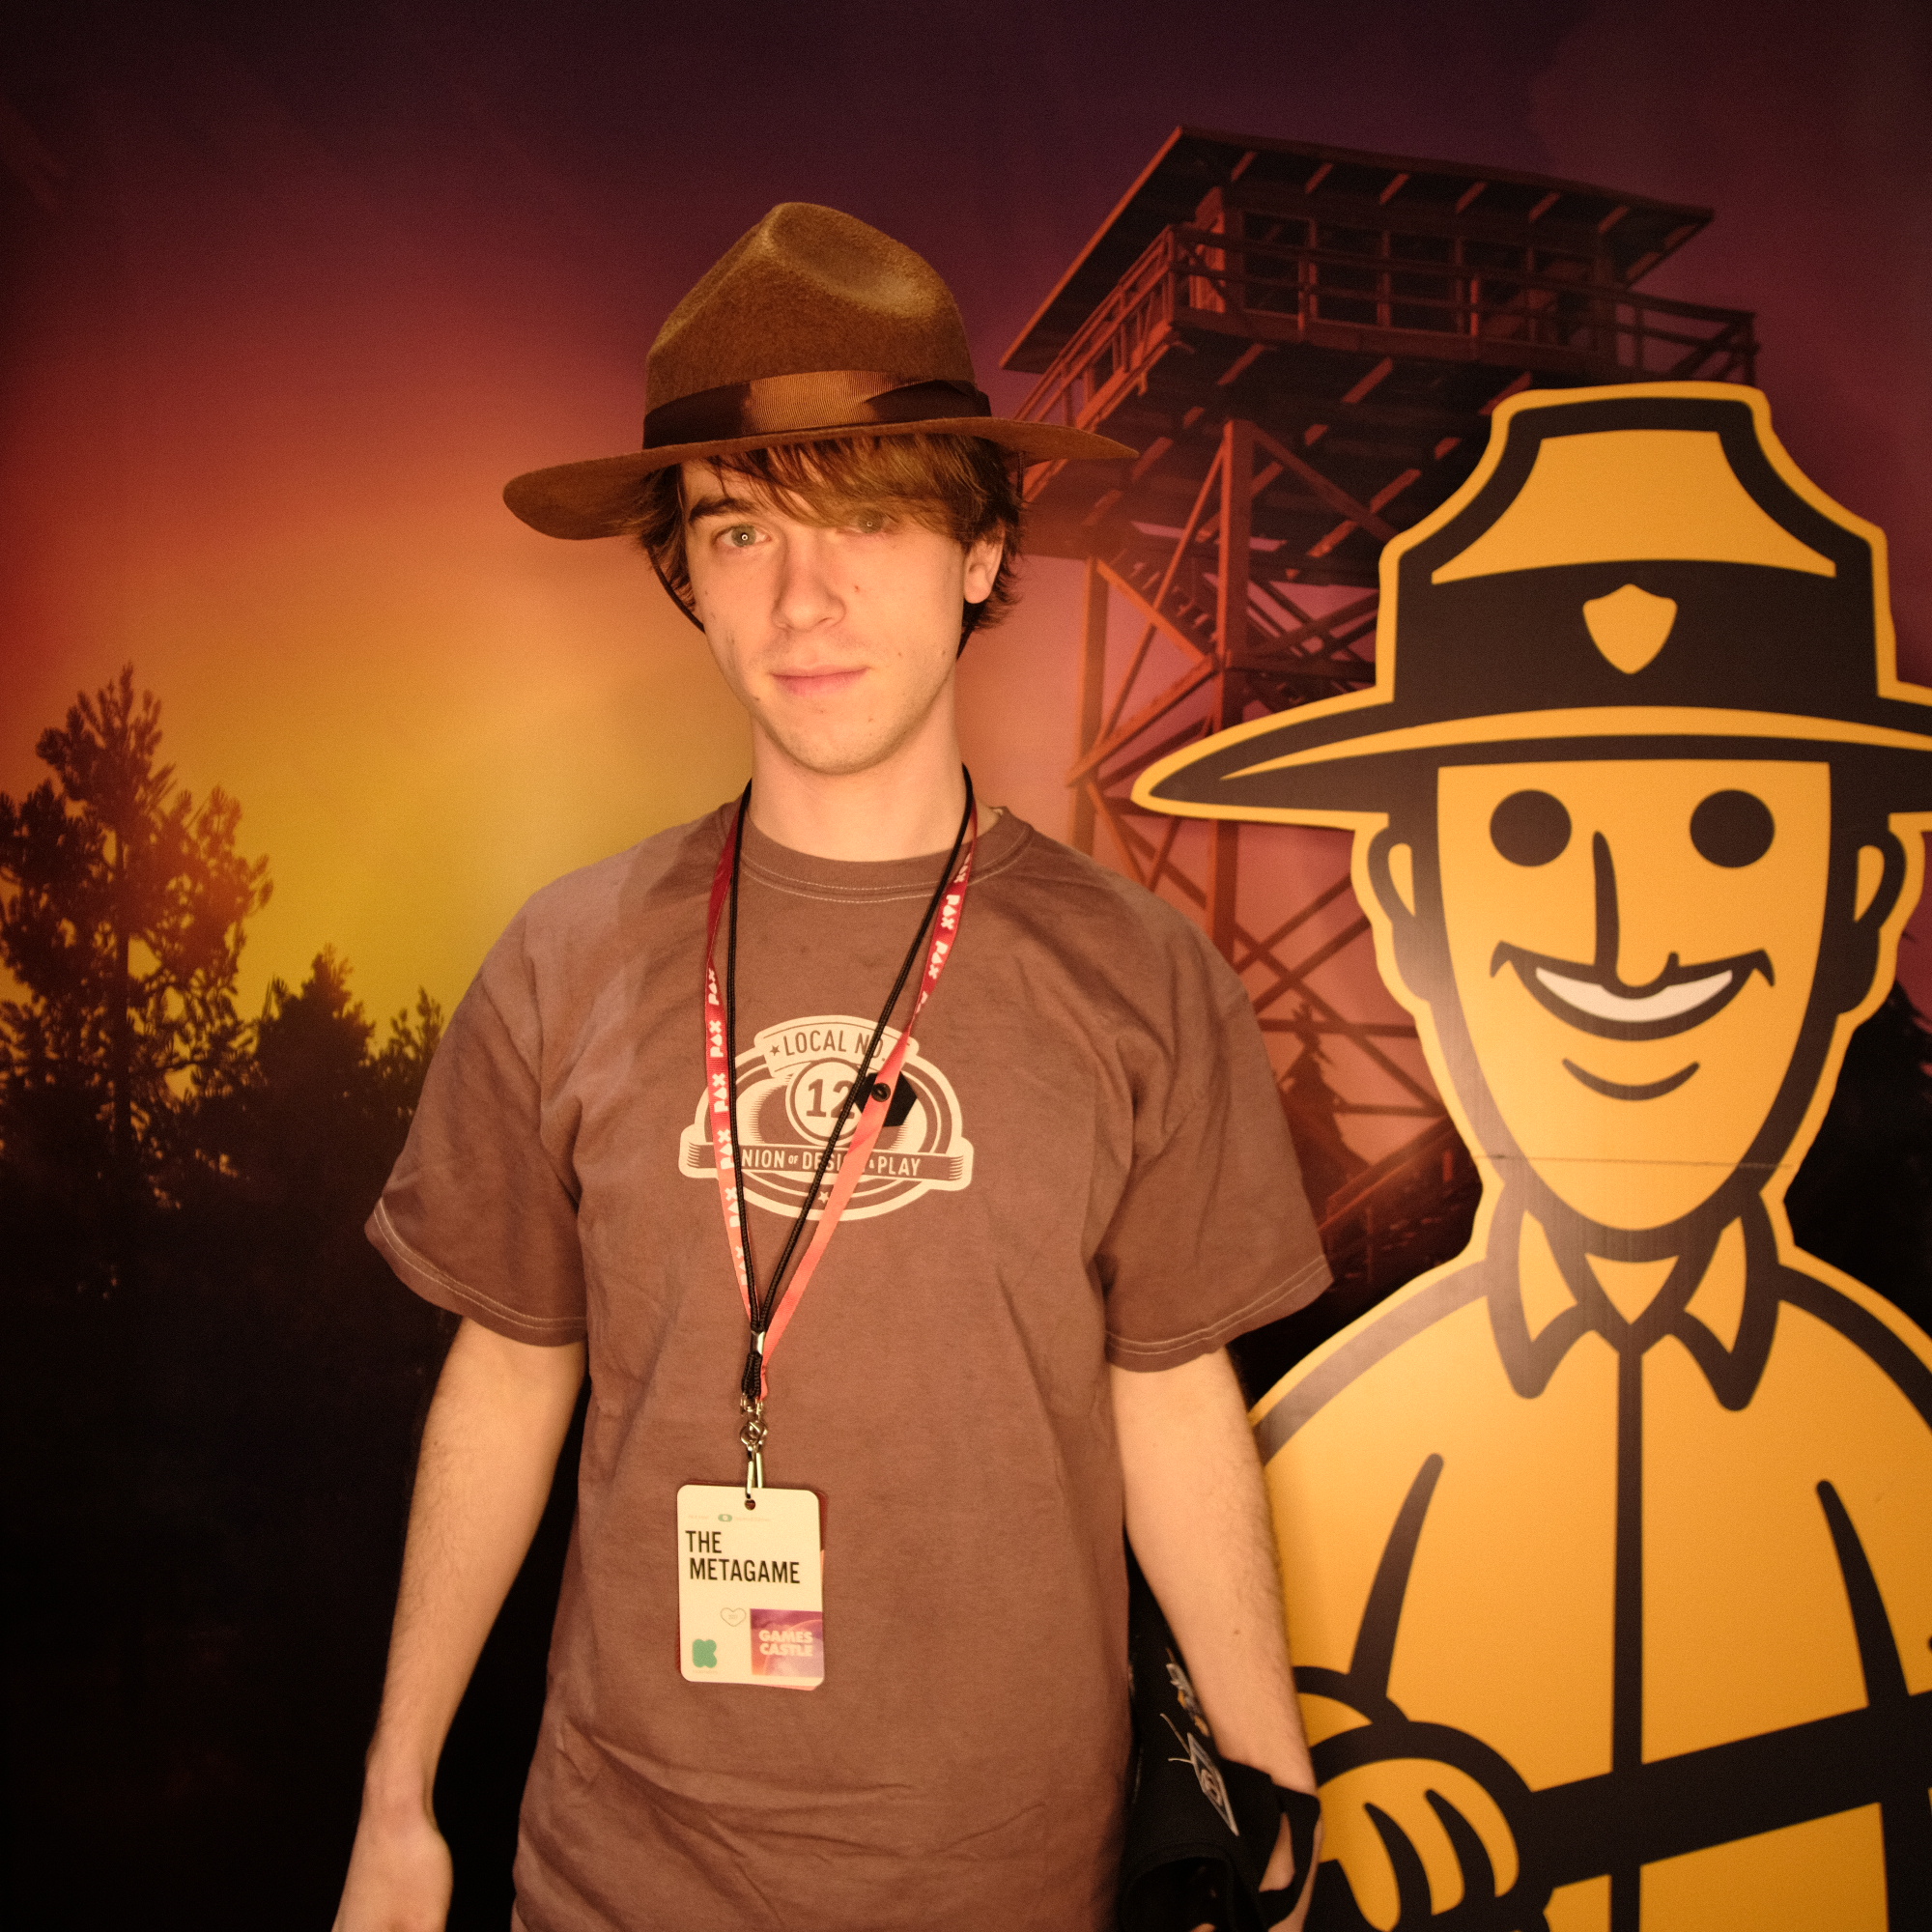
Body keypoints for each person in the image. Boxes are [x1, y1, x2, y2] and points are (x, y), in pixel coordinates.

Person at [334, 202, 1331, 1932]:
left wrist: (1274, 1795)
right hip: (617, 1878)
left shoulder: (1143, 975)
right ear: (685, 578)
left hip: (1016, 1884)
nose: (805, 599)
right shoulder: (566, 958)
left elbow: (1172, 1395)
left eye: (870, 515)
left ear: (980, 546)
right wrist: (397, 1802)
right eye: (740, 531)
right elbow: (507, 1373)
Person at [1139, 384, 1932, 1929]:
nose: (1629, 940)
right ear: (1405, 898)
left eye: (1729, 831)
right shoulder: (1321, 1462)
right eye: (1529, 833)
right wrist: (1319, 1776)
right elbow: (1167, 1744)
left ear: (1860, 904)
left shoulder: (1893, 1440)